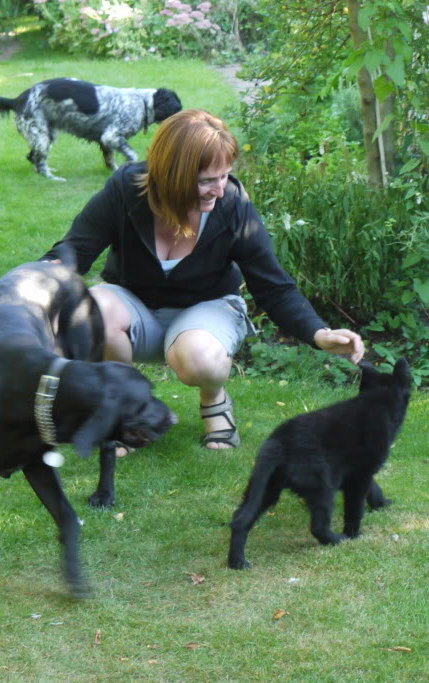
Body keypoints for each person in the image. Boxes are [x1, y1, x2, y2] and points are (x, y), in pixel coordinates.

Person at [41, 109, 364, 451]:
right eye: (207, 180)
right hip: (132, 311)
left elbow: (273, 285)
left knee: (199, 358)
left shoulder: (232, 205)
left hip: (207, 312)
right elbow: (74, 252)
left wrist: (319, 333)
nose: (219, 190)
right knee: (91, 311)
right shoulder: (126, 190)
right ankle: (125, 411)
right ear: (170, 174)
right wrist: (31, 288)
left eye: (224, 176)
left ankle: (214, 399)